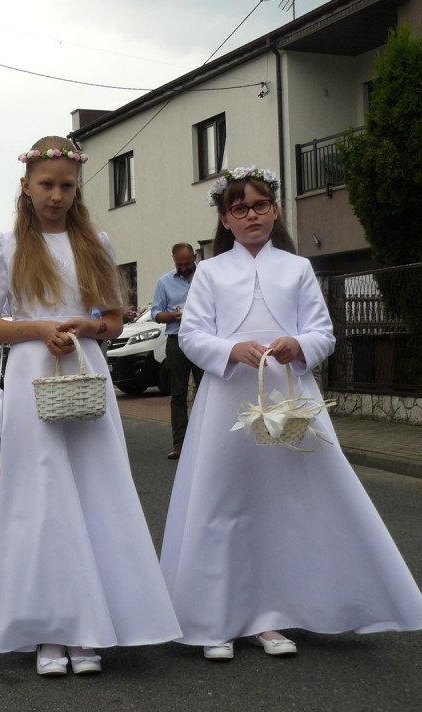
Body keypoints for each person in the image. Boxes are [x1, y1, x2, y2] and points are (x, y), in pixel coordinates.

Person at [160, 166, 422, 661]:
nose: (252, 215)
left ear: (275, 210)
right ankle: (213, 617)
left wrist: (295, 343)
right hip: (227, 403)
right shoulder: (211, 273)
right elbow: (192, 336)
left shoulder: (297, 268)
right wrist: (230, 351)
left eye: (260, 205)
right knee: (221, 503)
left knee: (281, 504)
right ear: (226, 219)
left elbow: (323, 333)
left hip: (288, 393)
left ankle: (271, 614)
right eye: (240, 208)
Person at [0, 137, 180, 676]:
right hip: (31, 374)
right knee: (39, 498)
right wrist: (39, 329)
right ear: (26, 186)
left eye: (67, 186)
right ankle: (49, 629)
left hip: (84, 373)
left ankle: (92, 624)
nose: (57, 196)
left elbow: (112, 319)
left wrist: (89, 326)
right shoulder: (8, 245)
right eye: (47, 185)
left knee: (94, 489)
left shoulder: (96, 242)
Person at [151, 242, 204, 460]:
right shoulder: (165, 282)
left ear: (194, 256)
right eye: (178, 264)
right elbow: (155, 313)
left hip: (203, 339)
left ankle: (204, 440)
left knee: (205, 391)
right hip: (177, 339)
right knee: (178, 394)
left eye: (186, 263)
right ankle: (180, 444)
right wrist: (174, 315)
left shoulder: (207, 277)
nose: (183, 268)